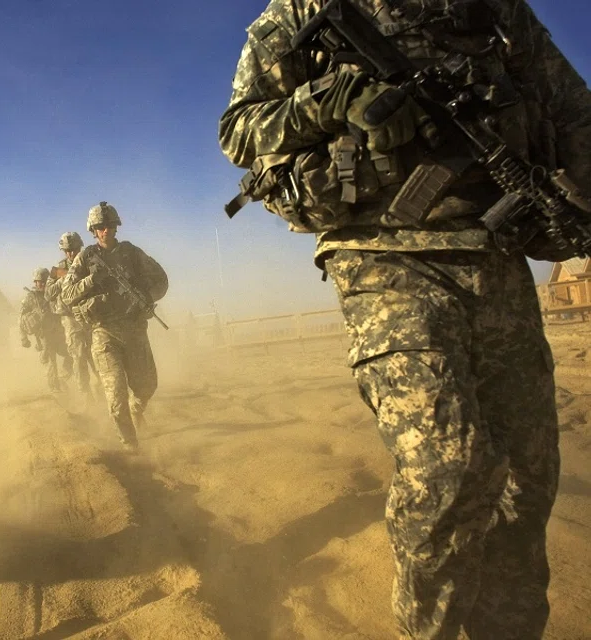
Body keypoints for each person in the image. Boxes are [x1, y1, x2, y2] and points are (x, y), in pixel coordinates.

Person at [219, 1, 590, 637]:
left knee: (526, 477)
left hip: (495, 251)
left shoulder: (496, 9)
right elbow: (239, 132)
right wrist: (329, 101)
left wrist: (576, 198)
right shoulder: (304, 10)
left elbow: (572, 110)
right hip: (380, 253)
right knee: (448, 467)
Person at [61, 202, 168, 450]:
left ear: (116, 226)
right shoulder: (86, 257)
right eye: (100, 226)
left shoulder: (131, 253)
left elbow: (161, 280)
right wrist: (91, 280)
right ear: (93, 229)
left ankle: (136, 410)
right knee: (115, 395)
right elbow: (67, 295)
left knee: (147, 386)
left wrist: (145, 296)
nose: (105, 230)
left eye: (109, 225)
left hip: (135, 330)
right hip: (104, 332)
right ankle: (130, 443)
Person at [45, 232, 96, 402]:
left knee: (97, 352)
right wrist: (63, 280)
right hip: (70, 317)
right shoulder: (58, 269)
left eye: (74, 249)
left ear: (80, 247)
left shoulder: (89, 263)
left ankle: (104, 387)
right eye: (67, 251)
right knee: (78, 355)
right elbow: (48, 294)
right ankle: (85, 393)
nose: (71, 254)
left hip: (90, 314)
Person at [19, 267, 72, 393]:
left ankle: (63, 378)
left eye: (44, 281)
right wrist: (23, 338)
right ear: (35, 282)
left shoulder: (54, 294)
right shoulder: (30, 298)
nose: (41, 284)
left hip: (59, 335)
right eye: (39, 281)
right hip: (44, 339)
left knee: (72, 354)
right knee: (51, 365)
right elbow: (21, 319)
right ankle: (56, 390)